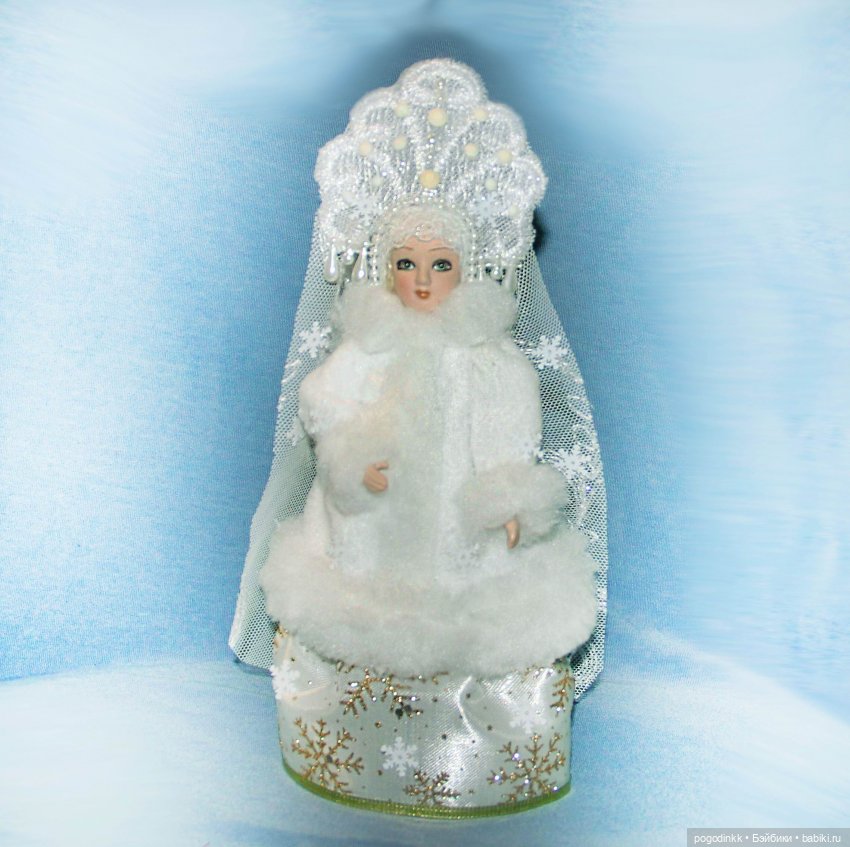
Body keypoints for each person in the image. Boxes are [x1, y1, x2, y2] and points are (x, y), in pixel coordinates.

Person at [229, 59, 608, 813]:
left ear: (466, 269)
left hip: (464, 526)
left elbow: (511, 423)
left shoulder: (487, 356)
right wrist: (351, 456)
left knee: (478, 599)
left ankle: (476, 741)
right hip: (376, 514)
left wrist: (511, 499)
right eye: (407, 264)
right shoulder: (368, 345)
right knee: (360, 591)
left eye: (440, 264)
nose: (424, 281)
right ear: (385, 268)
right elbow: (323, 398)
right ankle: (356, 723)